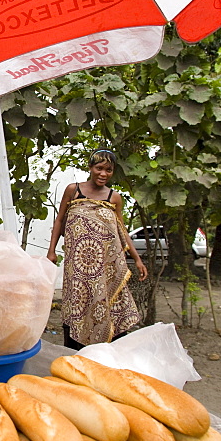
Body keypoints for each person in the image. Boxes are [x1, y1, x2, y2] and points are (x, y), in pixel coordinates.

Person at [46, 149, 147, 349]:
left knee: (107, 300)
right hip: (77, 265)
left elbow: (121, 230)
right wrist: (51, 251)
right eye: (99, 168)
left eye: (108, 170)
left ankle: (106, 353)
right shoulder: (73, 190)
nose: (103, 173)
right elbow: (59, 221)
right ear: (90, 168)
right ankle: (75, 351)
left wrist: (137, 259)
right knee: (78, 301)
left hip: (105, 266)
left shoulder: (114, 197)